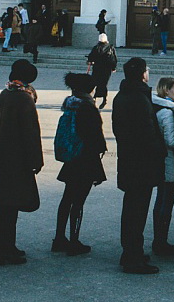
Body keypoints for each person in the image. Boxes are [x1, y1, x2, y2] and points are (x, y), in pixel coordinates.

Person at [112, 57, 166, 274]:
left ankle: (131, 251)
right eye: (147, 69)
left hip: (128, 160)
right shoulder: (139, 98)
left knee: (131, 209)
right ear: (142, 73)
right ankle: (133, 257)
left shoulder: (122, 96)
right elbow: (147, 134)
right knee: (137, 211)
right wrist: (160, 150)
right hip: (141, 163)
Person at [0, 59, 43, 265]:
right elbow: (31, 133)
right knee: (11, 204)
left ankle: (6, 246)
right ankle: (5, 251)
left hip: (2, 153)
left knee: (6, 204)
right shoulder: (24, 99)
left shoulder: (5, 93)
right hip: (17, 158)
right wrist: (36, 160)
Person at [53, 72, 107, 258]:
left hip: (71, 158)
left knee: (67, 198)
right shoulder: (87, 107)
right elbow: (94, 136)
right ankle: (73, 240)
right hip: (85, 159)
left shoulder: (71, 104)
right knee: (78, 201)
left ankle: (59, 237)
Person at [151, 77, 174, 256]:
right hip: (168, 160)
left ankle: (159, 239)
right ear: (166, 90)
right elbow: (171, 140)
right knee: (165, 201)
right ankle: (160, 240)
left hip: (159, 159)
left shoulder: (156, 108)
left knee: (160, 199)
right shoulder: (167, 112)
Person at [86, 33, 117, 109]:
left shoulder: (96, 48)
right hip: (107, 69)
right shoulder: (110, 48)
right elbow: (113, 59)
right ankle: (104, 99)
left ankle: (94, 98)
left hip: (97, 68)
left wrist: (89, 61)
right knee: (103, 83)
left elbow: (91, 57)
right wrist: (113, 68)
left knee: (95, 82)